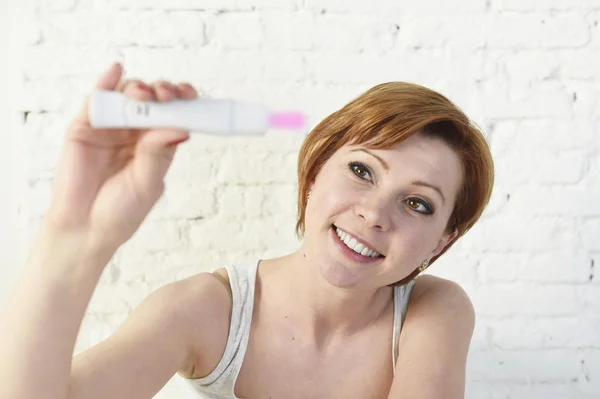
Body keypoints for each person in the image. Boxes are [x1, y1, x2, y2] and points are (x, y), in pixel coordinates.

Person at [0, 63, 494, 399]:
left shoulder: (435, 313)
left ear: (442, 240)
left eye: (417, 203)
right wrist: (74, 237)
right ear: (316, 170)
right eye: (363, 171)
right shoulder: (204, 310)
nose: (374, 213)